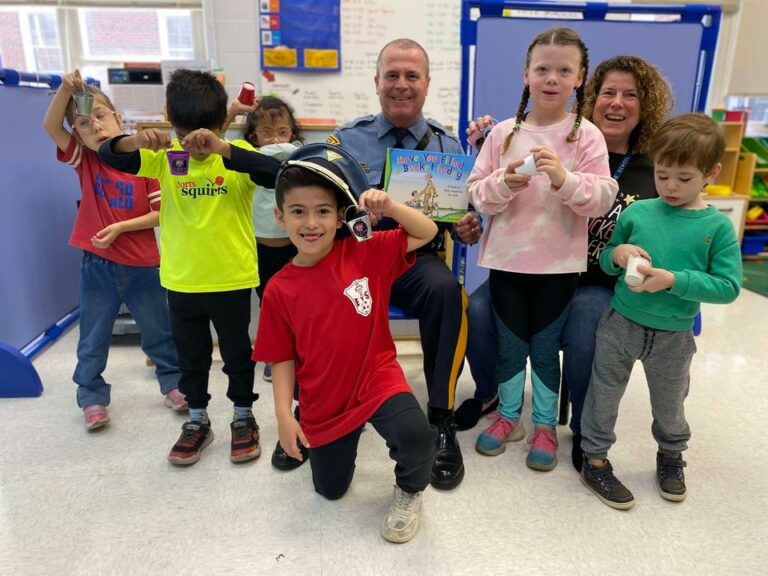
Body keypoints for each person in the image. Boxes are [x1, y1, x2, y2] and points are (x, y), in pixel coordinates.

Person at [455, 55, 674, 444]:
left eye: (630, 95)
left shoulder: (654, 168)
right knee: (481, 310)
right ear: (590, 94)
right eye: (609, 93)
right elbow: (484, 193)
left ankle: (585, 429)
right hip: (525, 267)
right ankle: (495, 399)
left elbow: (651, 223)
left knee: (585, 317)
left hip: (595, 280)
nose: (617, 103)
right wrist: (490, 158)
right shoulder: (529, 136)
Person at [252, 143, 439, 543]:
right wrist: (285, 415)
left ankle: (410, 491)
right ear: (280, 217)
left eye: (322, 211)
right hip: (324, 400)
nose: (310, 223)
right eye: (298, 212)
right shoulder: (279, 290)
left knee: (418, 437)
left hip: (377, 379)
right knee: (330, 491)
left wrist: (388, 207)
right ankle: (346, 433)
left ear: (341, 217)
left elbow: (427, 231)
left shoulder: (364, 251)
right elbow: (281, 358)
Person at [98, 69, 282, 465]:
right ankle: (197, 419)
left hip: (232, 278)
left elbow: (276, 174)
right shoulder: (165, 161)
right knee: (191, 356)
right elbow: (107, 154)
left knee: (237, 354)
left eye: (206, 133)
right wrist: (135, 138)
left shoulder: (235, 163)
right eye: (188, 132)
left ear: (219, 124)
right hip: (182, 281)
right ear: (172, 119)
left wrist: (225, 148)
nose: (196, 143)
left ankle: (243, 416)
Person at [328, 38, 483, 490]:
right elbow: (325, 210)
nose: (401, 85)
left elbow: (458, 221)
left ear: (427, 84)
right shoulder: (345, 141)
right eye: (392, 75)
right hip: (357, 259)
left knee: (447, 293)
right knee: (319, 296)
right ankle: (322, 409)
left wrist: (467, 228)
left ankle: (441, 418)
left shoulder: (447, 146)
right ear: (377, 83)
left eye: (411, 76)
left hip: (415, 260)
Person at [466, 28, 618, 471]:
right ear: (526, 74)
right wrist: (505, 183)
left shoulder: (585, 135)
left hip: (558, 266)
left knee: (545, 346)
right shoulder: (502, 134)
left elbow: (603, 196)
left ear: (580, 78)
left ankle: (546, 425)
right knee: (512, 345)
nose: (552, 78)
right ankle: (510, 416)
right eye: (543, 69)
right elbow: (476, 193)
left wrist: (563, 180)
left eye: (564, 70)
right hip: (508, 262)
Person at [579, 113, 742, 509]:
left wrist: (675, 280)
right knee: (603, 395)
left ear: (710, 173)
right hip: (621, 321)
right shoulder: (637, 213)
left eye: (683, 178)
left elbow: (728, 287)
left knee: (670, 403)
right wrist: (616, 254)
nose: (670, 186)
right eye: (662, 174)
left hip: (673, 334)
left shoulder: (716, 228)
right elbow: (605, 260)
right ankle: (594, 459)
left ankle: (671, 455)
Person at [43, 70, 185, 431]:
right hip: (97, 265)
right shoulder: (86, 160)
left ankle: (173, 384)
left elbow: (160, 213)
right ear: (77, 133)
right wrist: (65, 89)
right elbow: (50, 126)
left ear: (119, 118)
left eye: (101, 116)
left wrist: (122, 226)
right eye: (84, 123)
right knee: (93, 333)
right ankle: (91, 397)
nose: (95, 127)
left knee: (158, 332)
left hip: (143, 265)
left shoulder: (144, 164)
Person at [224, 95, 308, 471]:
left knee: (299, 312)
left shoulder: (297, 155)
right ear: (253, 135)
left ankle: (298, 361)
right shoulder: (244, 160)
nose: (276, 138)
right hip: (257, 248)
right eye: (266, 132)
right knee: (270, 307)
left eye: (283, 130)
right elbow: (219, 145)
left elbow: (286, 156)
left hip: (293, 248)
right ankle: (280, 358)